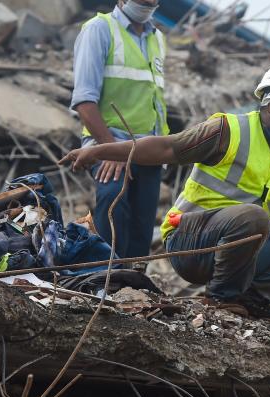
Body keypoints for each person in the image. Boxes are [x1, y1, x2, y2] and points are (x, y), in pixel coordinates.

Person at [59, 60, 270, 325]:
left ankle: (252, 300)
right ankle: (220, 299)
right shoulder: (227, 131)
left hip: (246, 248)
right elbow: (168, 147)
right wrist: (103, 151)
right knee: (253, 216)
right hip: (190, 243)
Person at [70, 0, 167, 259]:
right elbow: (84, 100)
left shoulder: (157, 38)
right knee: (113, 203)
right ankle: (103, 276)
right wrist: (111, 149)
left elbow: (155, 100)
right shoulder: (99, 29)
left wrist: (163, 150)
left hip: (149, 149)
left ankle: (132, 290)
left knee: (142, 227)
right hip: (109, 142)